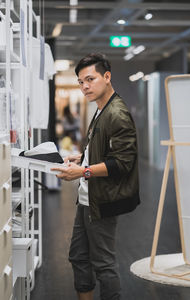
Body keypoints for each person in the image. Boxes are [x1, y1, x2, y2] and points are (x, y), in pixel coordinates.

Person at [51, 53, 140, 300]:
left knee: (103, 263)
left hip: (102, 200)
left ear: (107, 76)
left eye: (90, 79)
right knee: (79, 256)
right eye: (80, 82)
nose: (85, 86)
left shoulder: (117, 113)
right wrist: (82, 158)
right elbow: (102, 148)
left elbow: (123, 162)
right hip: (87, 198)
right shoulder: (101, 109)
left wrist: (84, 171)